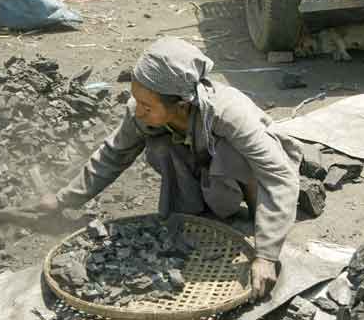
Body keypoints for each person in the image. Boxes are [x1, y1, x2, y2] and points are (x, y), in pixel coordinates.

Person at [38, 37, 303, 300]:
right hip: (201, 162)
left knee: (235, 155)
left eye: (147, 106)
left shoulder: (228, 113)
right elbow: (112, 155)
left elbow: (278, 175)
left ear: (181, 105)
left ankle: (260, 220)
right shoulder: (141, 112)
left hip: (251, 167)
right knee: (160, 148)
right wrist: (63, 200)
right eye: (136, 100)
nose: (138, 111)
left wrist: (266, 254)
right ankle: (199, 211)